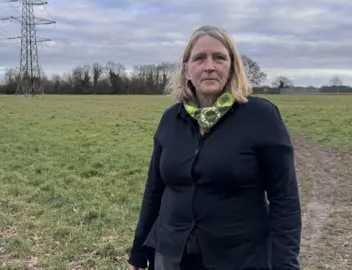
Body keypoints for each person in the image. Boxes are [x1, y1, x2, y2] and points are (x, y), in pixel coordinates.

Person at [128, 25, 302, 270]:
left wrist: (285, 264)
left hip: (239, 258)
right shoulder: (170, 119)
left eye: (219, 57)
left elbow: (284, 199)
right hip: (170, 255)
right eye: (199, 58)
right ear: (187, 70)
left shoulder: (261, 116)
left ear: (232, 67)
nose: (209, 65)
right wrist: (138, 250)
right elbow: (155, 188)